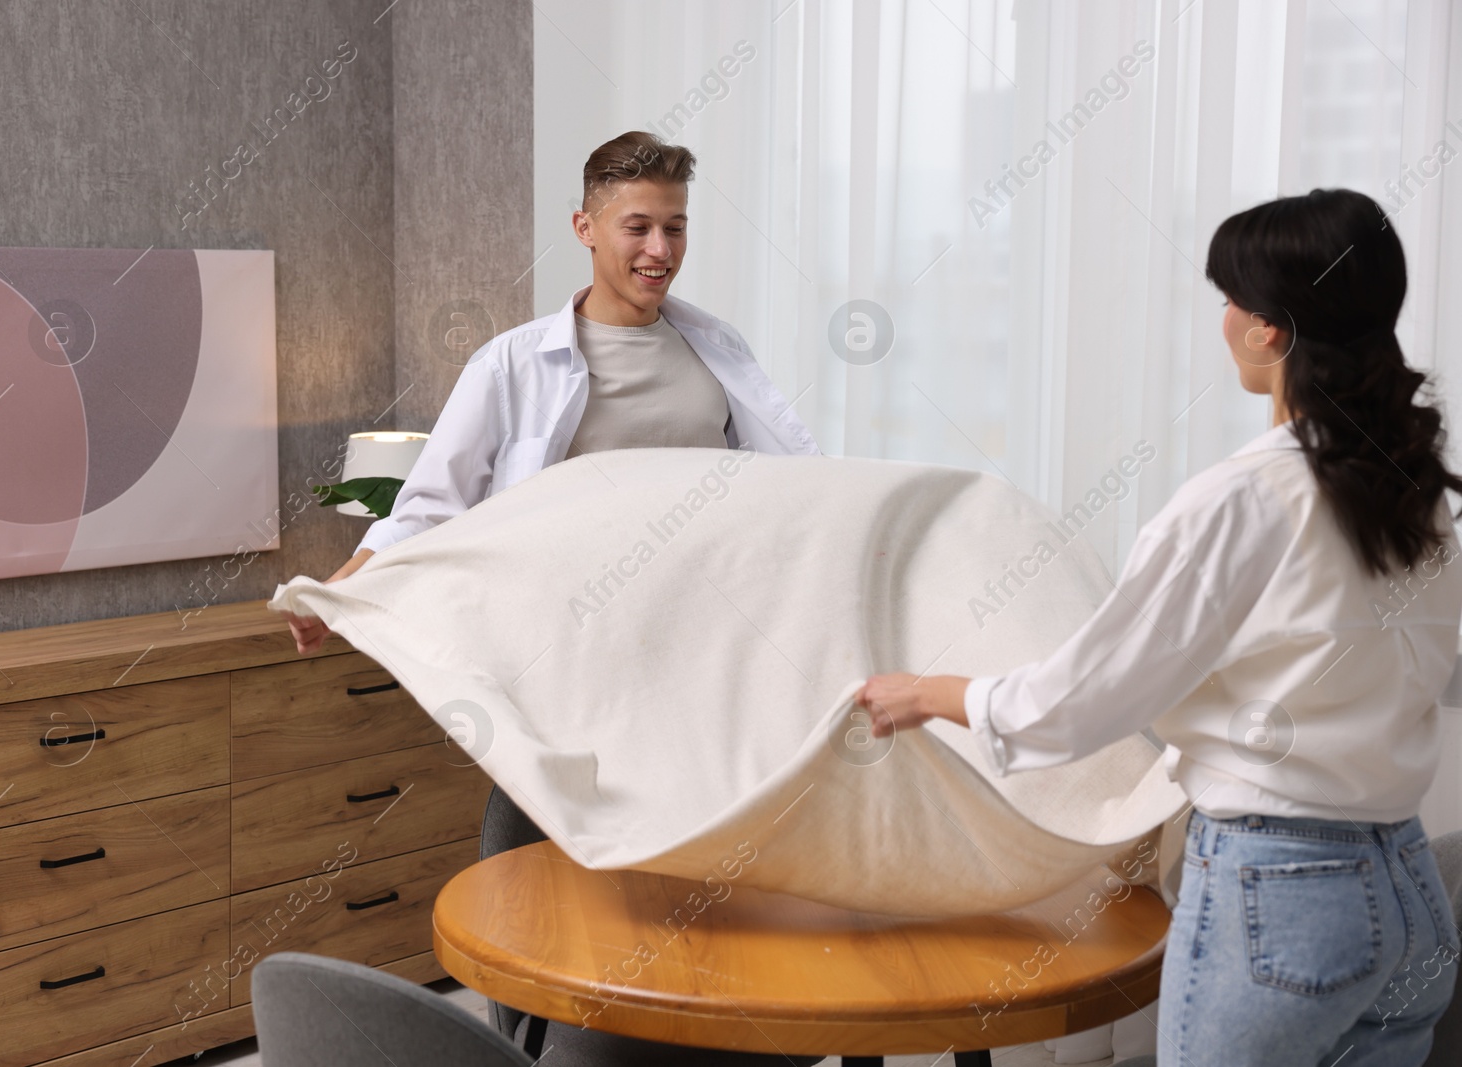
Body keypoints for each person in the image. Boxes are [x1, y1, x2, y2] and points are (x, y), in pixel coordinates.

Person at [859, 188, 1462, 1066]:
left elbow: (1085, 697)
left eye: (1231, 300)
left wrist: (932, 693)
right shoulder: (1421, 492)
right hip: (1409, 894)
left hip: (1286, 893)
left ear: (1271, 330)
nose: (1221, 321)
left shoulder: (1242, 499)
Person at [287, 130, 819, 655]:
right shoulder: (510, 364)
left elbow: (768, 486)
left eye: (674, 228)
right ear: (585, 228)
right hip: (569, 636)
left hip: (703, 629)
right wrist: (338, 592)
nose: (660, 249)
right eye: (637, 227)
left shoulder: (718, 348)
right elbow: (428, 506)